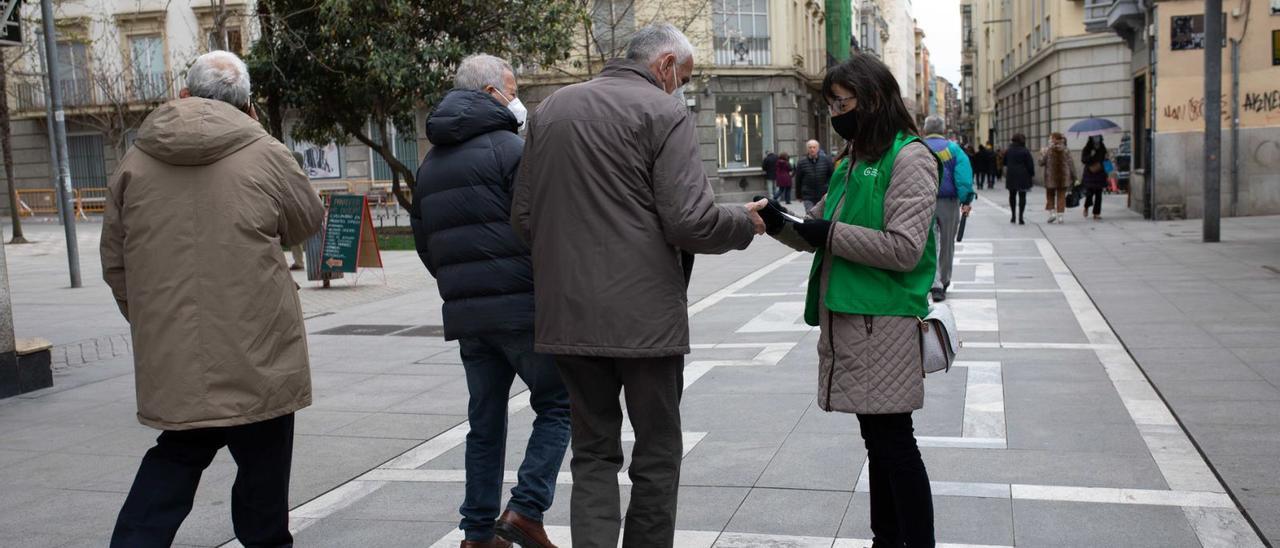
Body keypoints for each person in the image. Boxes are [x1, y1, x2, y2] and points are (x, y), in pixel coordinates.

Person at [511, 23, 766, 548]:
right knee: (656, 452)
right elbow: (689, 222)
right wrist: (744, 221)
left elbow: (524, 217)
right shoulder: (663, 111)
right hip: (646, 322)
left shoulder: (550, 111)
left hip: (568, 317)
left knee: (592, 453)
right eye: (683, 77)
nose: (681, 89)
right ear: (666, 65)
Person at [101, 50, 324, 548]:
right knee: (264, 472)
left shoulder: (134, 162)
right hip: (258, 350)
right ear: (248, 106)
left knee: (175, 457)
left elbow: (115, 262)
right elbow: (306, 223)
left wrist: (151, 320)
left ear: (182, 95)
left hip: (176, 353)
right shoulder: (266, 151)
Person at [759, 52, 939, 548]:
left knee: (895, 446)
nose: (837, 113)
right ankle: (888, 540)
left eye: (844, 102)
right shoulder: (854, 159)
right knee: (879, 445)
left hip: (884, 320)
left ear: (875, 98)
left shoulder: (911, 157)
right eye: (832, 104)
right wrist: (778, 222)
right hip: (851, 319)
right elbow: (816, 229)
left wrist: (828, 232)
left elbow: (904, 248)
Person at [411, 54, 570, 548]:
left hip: (469, 316)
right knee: (560, 403)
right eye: (512, 88)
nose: (516, 98)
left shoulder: (431, 161)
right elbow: (543, 228)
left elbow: (424, 242)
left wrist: (461, 287)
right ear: (490, 94)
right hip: (522, 308)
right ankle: (525, 508)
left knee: (484, 423)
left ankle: (477, 534)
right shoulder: (512, 150)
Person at [922, 116, 974, 303]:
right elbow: (963, 178)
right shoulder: (953, 149)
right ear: (943, 130)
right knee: (946, 243)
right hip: (948, 202)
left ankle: (930, 281)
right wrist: (966, 199)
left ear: (925, 129)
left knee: (926, 243)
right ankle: (943, 281)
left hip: (921, 201)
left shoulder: (918, 147)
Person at [1039, 132, 1077, 224]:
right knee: (1061, 196)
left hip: (1050, 177)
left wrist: (1041, 154)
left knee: (1050, 195)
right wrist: (1074, 177)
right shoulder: (1066, 150)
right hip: (1063, 177)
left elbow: (1041, 163)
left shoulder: (1048, 150)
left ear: (1055, 139)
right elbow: (1071, 164)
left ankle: (1052, 213)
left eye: (1051, 137)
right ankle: (1060, 216)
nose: (1050, 139)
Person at [1003, 133, 1036, 225]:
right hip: (1023, 175)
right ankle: (1021, 217)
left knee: (1012, 195)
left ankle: (1013, 215)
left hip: (1011, 175)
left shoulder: (1008, 150)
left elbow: (1004, 162)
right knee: (1022, 196)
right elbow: (1030, 164)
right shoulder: (1025, 151)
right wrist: (1032, 174)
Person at [796, 138, 835, 213]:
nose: (812, 149)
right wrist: (798, 195)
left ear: (818, 148)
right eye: (810, 147)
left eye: (814, 147)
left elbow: (832, 176)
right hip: (808, 195)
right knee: (810, 215)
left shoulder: (826, 161)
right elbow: (798, 180)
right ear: (807, 149)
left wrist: (830, 190)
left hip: (823, 194)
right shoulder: (801, 163)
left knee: (822, 216)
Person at [1081, 135, 1108, 220]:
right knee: (1090, 193)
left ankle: (1096, 213)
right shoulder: (1087, 148)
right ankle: (1086, 207)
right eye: (1095, 137)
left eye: (1098, 137)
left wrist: (1108, 167)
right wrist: (1091, 155)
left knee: (1099, 194)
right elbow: (1083, 160)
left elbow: (1105, 159)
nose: (1097, 139)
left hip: (1100, 172)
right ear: (1091, 139)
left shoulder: (1102, 147)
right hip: (1090, 173)